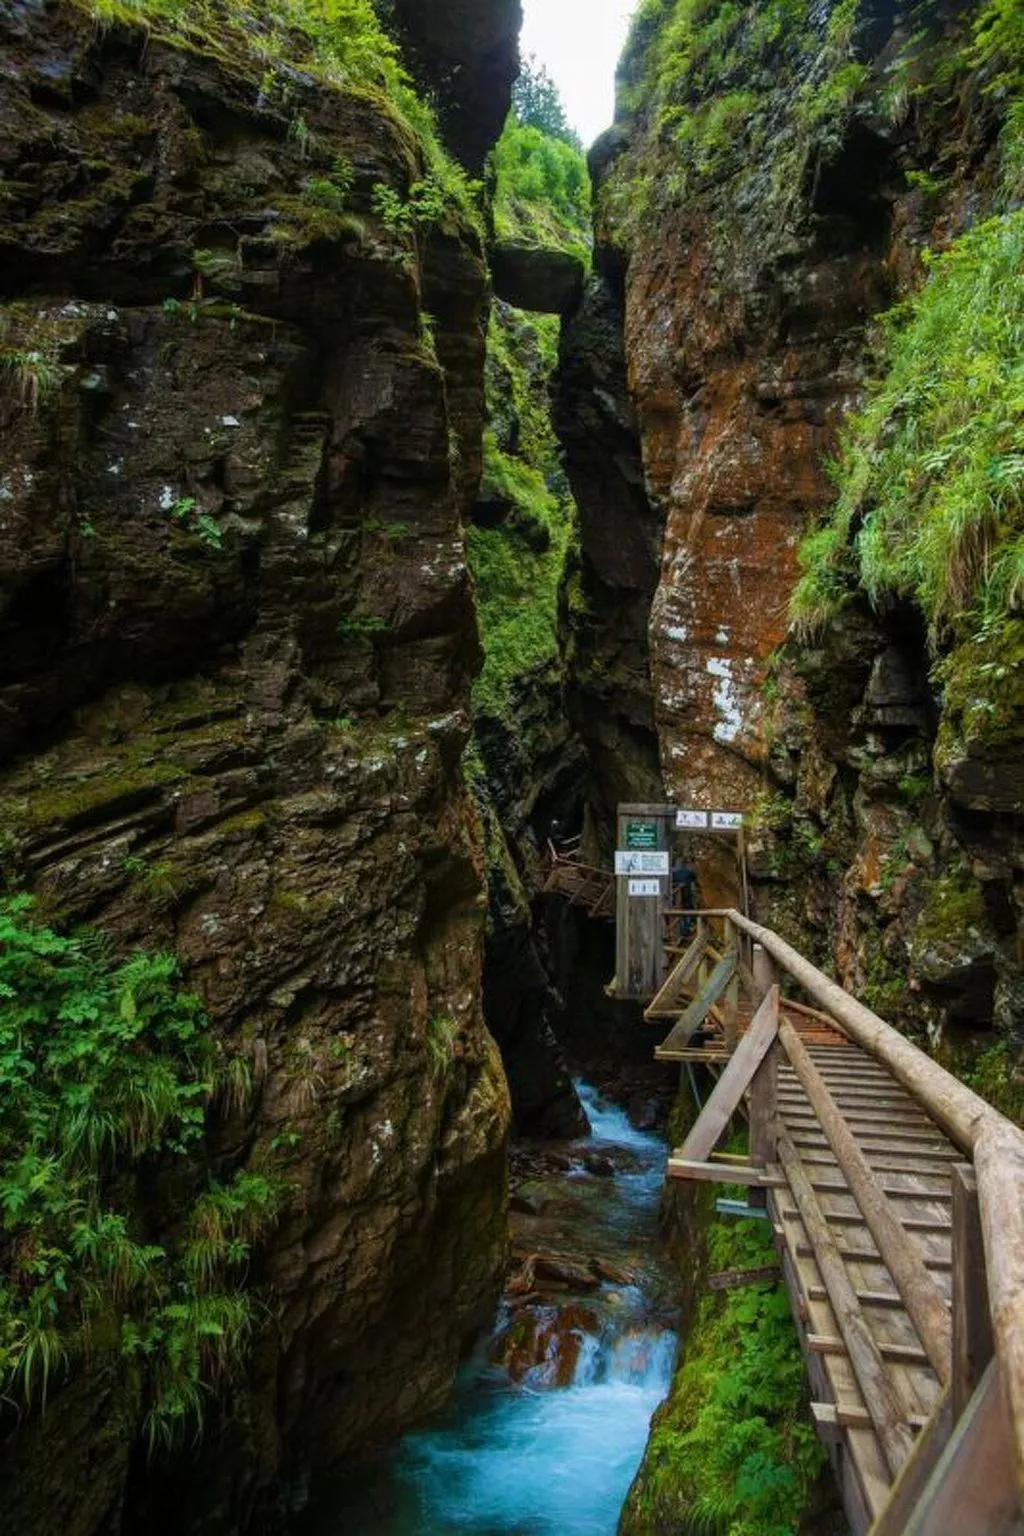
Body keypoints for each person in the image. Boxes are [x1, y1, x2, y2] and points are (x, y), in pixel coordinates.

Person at [672, 857, 698, 935]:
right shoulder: (688, 872)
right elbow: (694, 878)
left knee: (679, 911)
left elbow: (673, 883)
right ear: (686, 865)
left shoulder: (674, 874)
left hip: (676, 897)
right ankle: (687, 927)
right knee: (687, 910)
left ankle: (682, 928)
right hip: (687, 895)